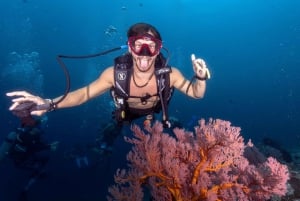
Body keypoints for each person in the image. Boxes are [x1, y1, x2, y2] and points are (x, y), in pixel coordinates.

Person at [6, 22, 210, 151]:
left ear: (159, 49)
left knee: (160, 122)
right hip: (125, 113)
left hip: (154, 110)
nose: (145, 53)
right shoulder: (113, 75)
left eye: (151, 46)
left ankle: (148, 120)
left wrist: (200, 79)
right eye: (139, 45)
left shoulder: (170, 74)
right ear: (129, 47)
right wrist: (48, 103)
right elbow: (83, 95)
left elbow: (196, 94)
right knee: (115, 126)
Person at [0, 115, 59, 201]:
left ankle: (36, 173)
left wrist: (47, 145)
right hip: (22, 160)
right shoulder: (28, 133)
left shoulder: (28, 132)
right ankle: (25, 190)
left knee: (43, 160)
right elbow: (32, 146)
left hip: (21, 156)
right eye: (41, 124)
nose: (40, 127)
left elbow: (35, 145)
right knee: (40, 167)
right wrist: (49, 147)